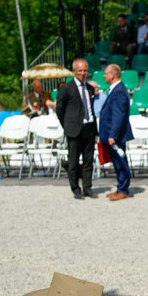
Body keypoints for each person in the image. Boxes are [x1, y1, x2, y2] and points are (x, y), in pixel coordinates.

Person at [56, 58, 98, 200]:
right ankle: (75, 188)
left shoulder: (90, 88)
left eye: (85, 70)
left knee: (88, 160)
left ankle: (87, 187)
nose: (83, 73)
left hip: (89, 128)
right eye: (80, 70)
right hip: (74, 130)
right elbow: (59, 109)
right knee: (73, 162)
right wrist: (67, 125)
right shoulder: (66, 88)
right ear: (74, 71)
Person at [99, 64, 134, 201]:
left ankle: (123, 189)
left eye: (106, 73)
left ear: (112, 75)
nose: (104, 76)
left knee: (120, 162)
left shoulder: (119, 91)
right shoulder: (116, 90)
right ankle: (121, 187)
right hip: (114, 133)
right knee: (117, 161)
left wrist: (113, 134)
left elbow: (118, 115)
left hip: (116, 135)